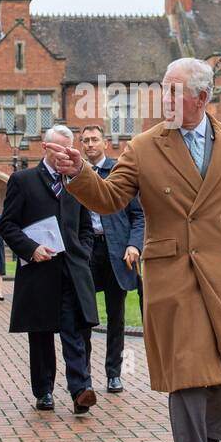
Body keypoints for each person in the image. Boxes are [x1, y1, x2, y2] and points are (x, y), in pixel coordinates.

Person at [46, 58, 221, 442]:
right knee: (188, 378)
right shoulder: (144, 147)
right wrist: (78, 171)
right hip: (174, 277)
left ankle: (211, 436)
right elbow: (109, 198)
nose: (161, 99)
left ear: (202, 98)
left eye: (172, 91)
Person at [0, 126, 100, 417]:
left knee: (75, 330)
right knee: (41, 334)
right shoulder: (23, 181)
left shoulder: (77, 182)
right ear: (45, 148)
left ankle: (81, 390)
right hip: (40, 271)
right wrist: (31, 248)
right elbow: (7, 225)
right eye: (59, 150)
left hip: (72, 271)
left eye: (70, 151)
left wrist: (83, 252)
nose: (64, 156)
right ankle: (43, 390)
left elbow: (86, 228)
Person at [78, 124, 145, 394]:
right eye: (85, 140)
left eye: (95, 139)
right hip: (86, 250)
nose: (90, 144)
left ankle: (114, 374)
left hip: (116, 250)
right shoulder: (76, 173)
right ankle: (83, 376)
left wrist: (133, 245)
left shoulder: (120, 171)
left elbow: (138, 216)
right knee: (83, 315)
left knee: (115, 315)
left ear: (105, 143)